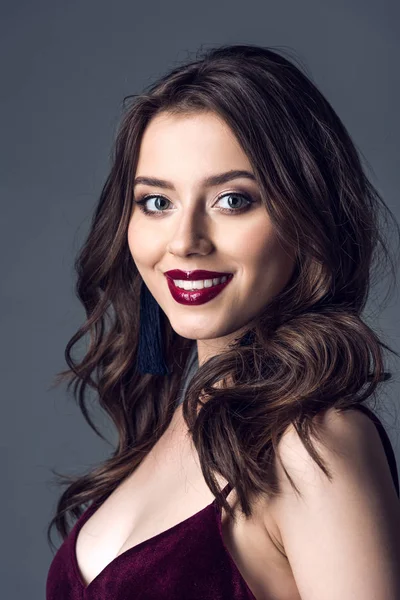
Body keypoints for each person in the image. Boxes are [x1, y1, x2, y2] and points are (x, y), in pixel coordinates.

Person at [46, 44, 400, 599]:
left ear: (306, 216)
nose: (185, 240)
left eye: (233, 200)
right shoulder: (177, 421)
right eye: (156, 202)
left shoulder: (315, 444)